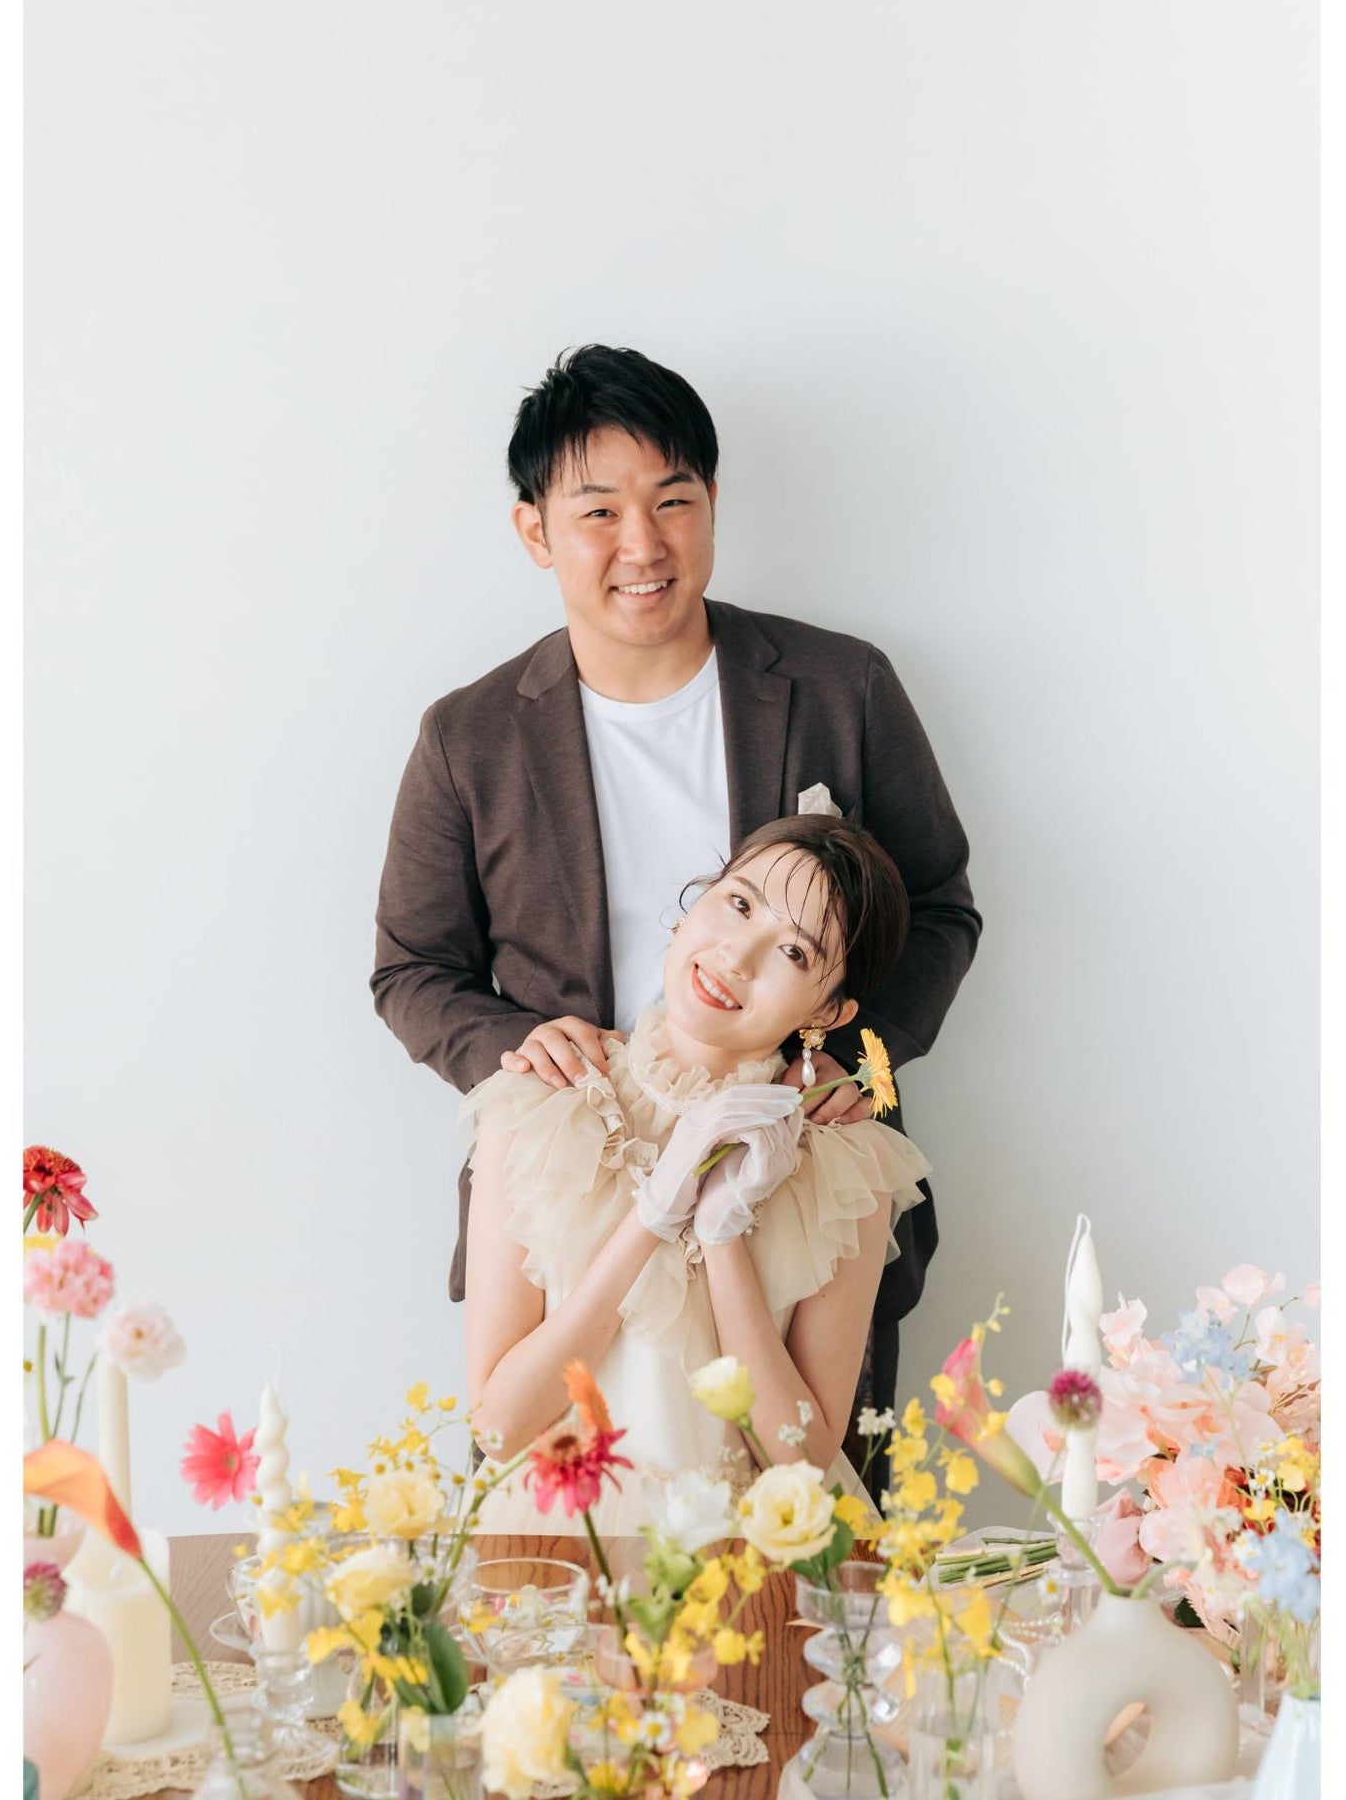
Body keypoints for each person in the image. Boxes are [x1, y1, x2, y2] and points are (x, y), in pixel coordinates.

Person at [371, 343, 980, 1435]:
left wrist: (856, 1058)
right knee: (558, 1511)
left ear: (711, 504)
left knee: (806, 1505)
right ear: (534, 530)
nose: (643, 545)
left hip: (793, 1194)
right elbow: (411, 968)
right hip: (568, 1214)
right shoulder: (469, 738)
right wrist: (522, 1053)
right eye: (598, 512)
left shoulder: (841, 687)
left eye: (672, 501)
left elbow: (936, 908)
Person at [463, 815, 930, 1530]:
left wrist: (721, 1235)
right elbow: (498, 1428)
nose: (738, 956)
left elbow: (801, 1464)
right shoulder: (537, 1101)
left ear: (829, 1010)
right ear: (696, 899)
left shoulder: (846, 1162)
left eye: (794, 951)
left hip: (751, 1562)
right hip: (559, 1553)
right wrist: (652, 1213)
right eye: (739, 903)